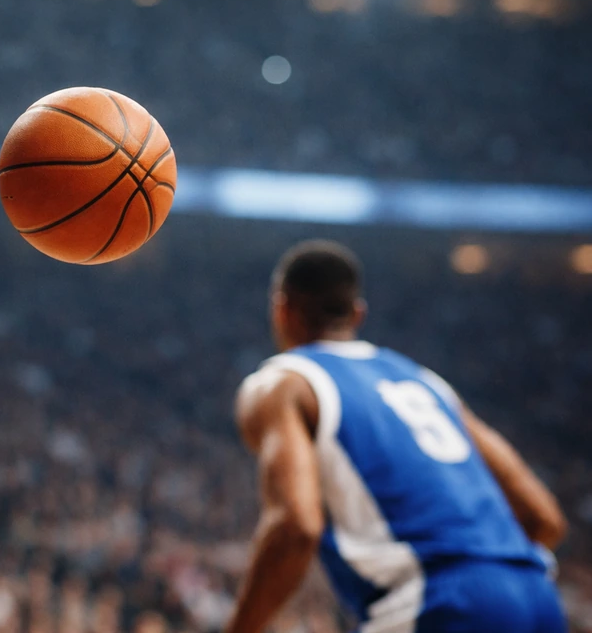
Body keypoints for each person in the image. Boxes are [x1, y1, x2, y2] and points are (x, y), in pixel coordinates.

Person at [227, 240, 568, 633]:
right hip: (537, 598)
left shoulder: (283, 382)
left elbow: (297, 527)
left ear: (281, 310)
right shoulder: (425, 382)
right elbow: (544, 518)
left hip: (438, 603)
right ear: (357, 313)